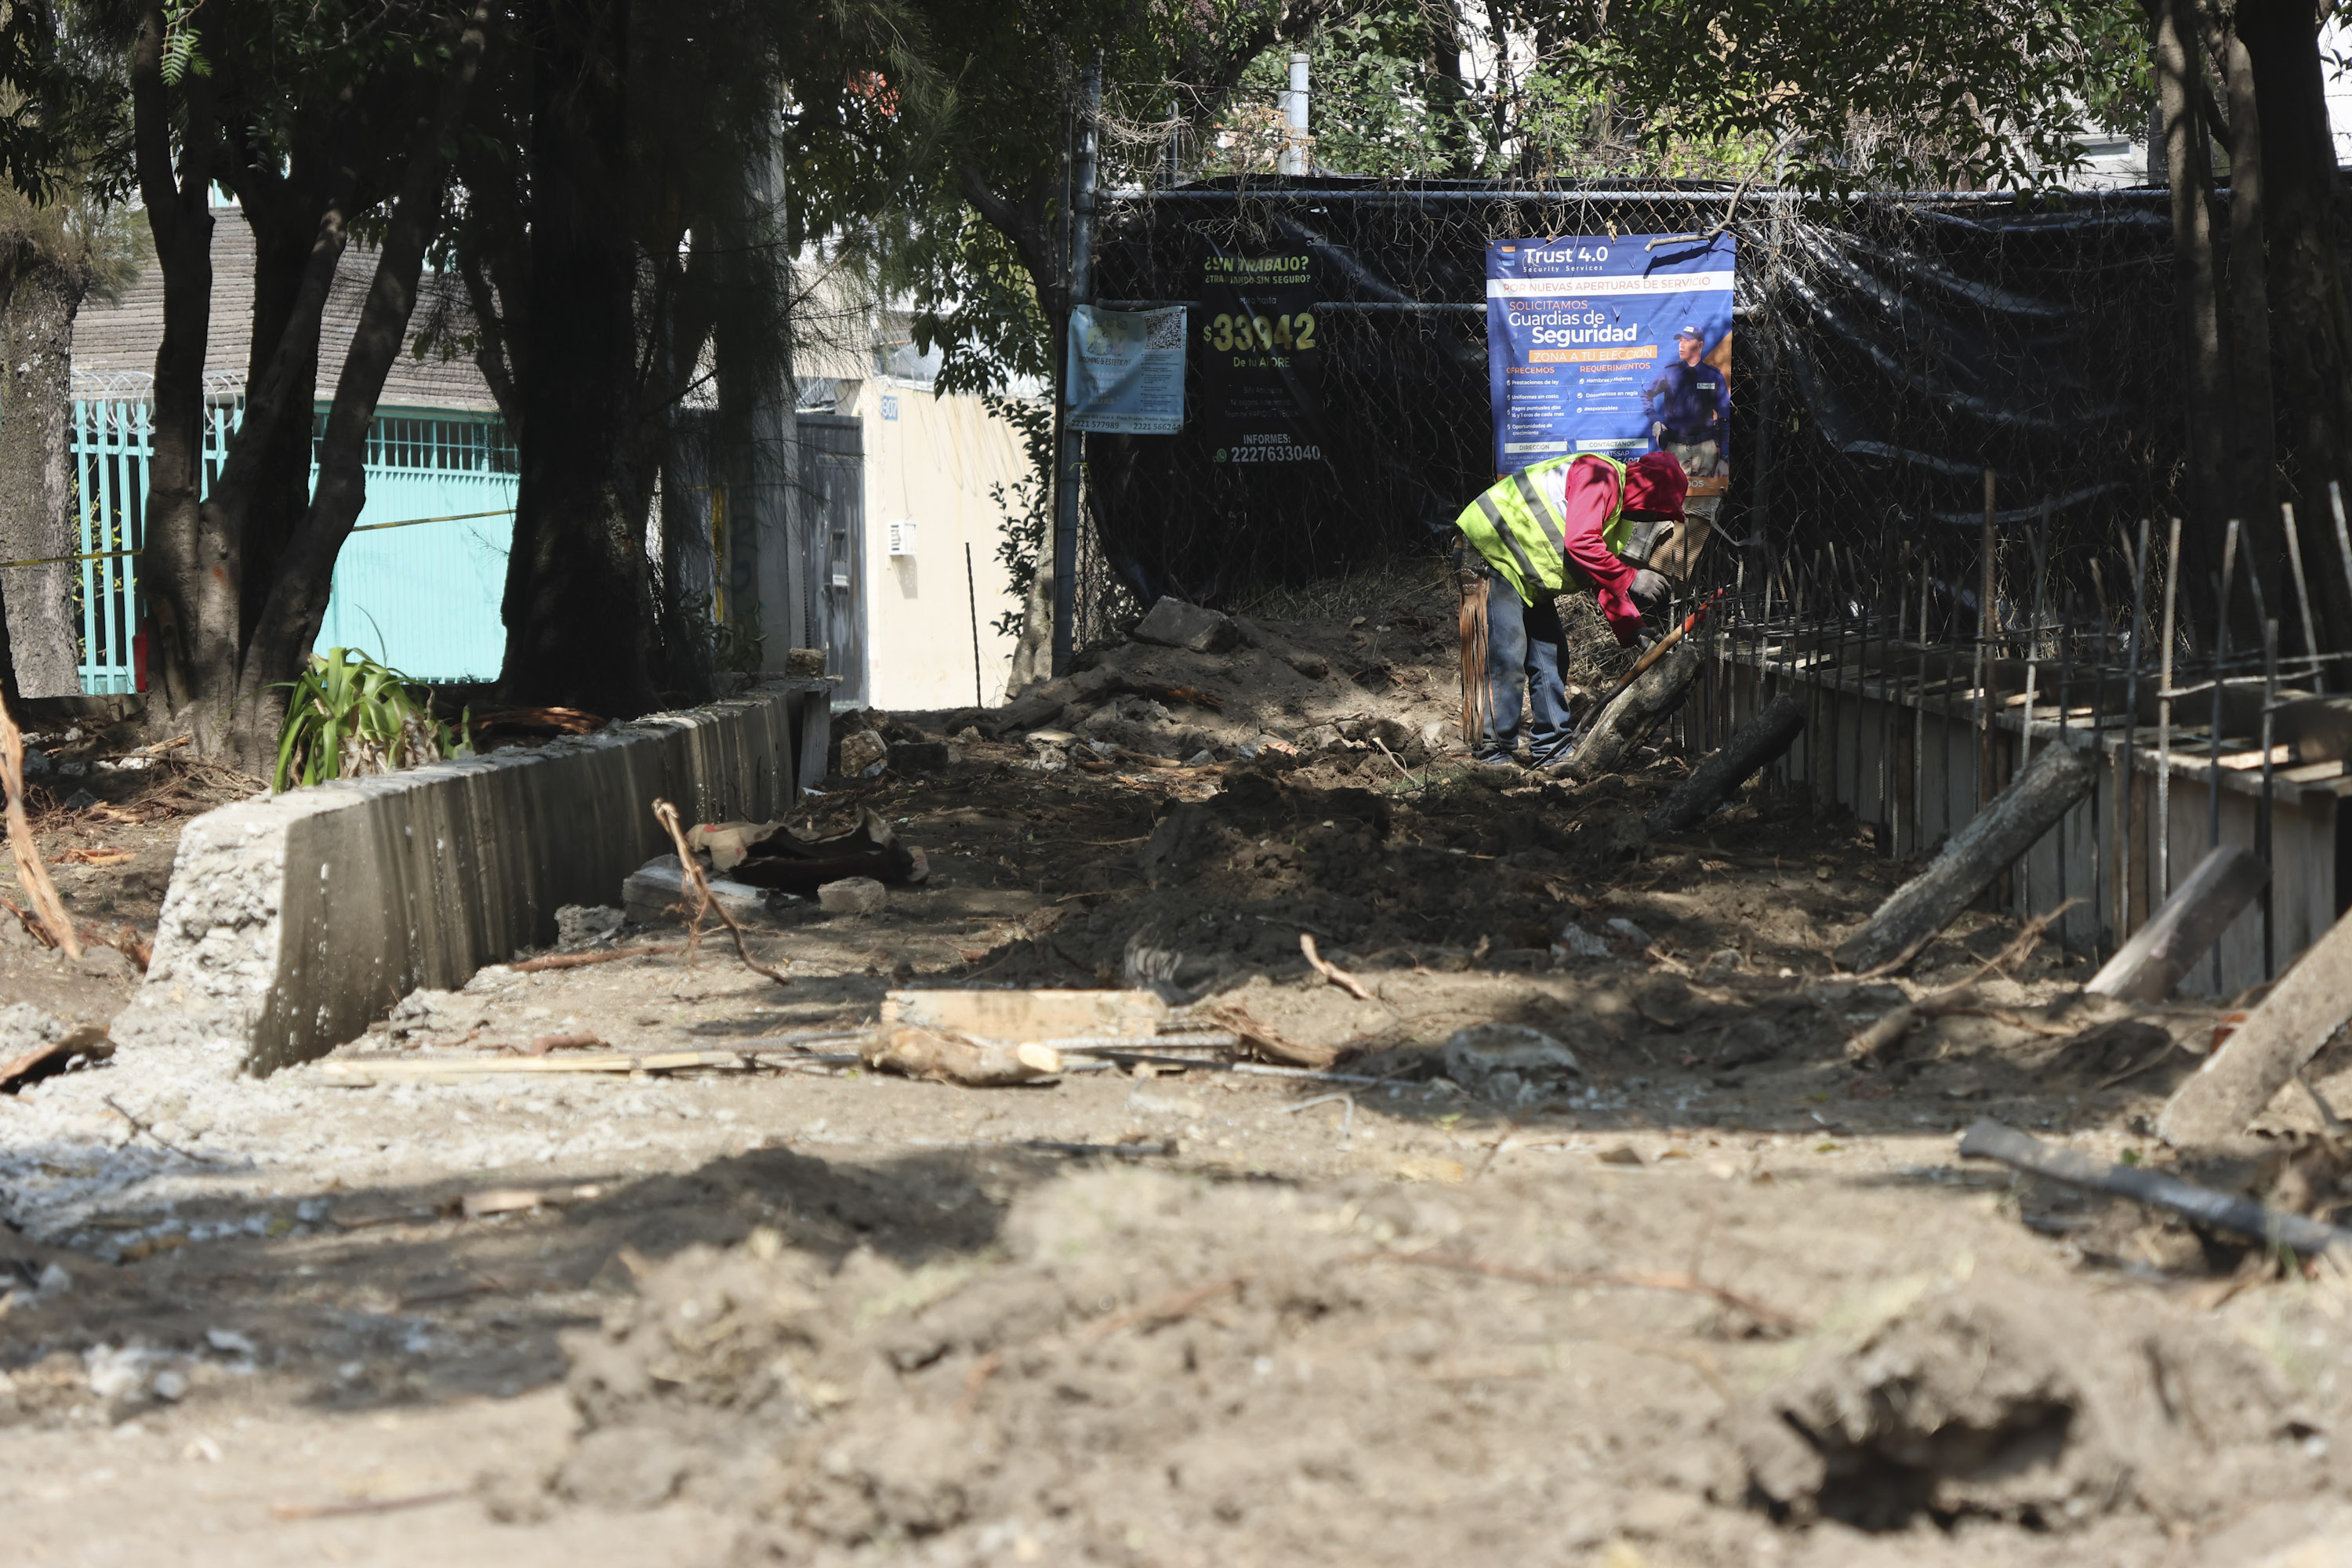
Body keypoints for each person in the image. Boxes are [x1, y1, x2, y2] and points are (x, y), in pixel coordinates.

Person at [1451, 450, 1686, 769]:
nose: (1655, 518)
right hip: (1488, 552)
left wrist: (1634, 627)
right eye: (1658, 510)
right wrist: (1633, 576)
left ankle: (1551, 748)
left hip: (1523, 573)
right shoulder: (1598, 475)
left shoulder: (1618, 516)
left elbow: (1599, 575)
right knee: (1505, 654)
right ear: (1646, 493)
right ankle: (1492, 752)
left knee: (1552, 656)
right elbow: (1582, 543)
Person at [1642, 325, 1730, 482]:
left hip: (1706, 451)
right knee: (1673, 498)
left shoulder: (1713, 376)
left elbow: (1725, 418)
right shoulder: (1670, 373)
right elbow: (1645, 394)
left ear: (1700, 345)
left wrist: (1724, 458)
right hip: (1676, 449)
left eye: (1687, 341)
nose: (1681, 345)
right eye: (1680, 341)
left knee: (1705, 500)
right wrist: (1655, 421)